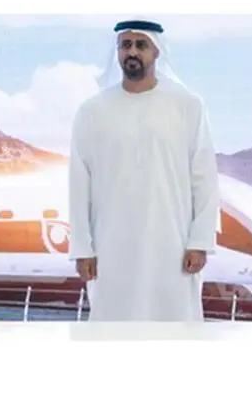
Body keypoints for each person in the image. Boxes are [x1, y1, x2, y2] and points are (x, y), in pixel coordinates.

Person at [68, 18, 221, 321]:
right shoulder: (92, 111)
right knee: (113, 326)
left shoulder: (187, 105)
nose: (132, 52)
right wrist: (82, 247)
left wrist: (200, 242)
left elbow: (205, 177)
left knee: (173, 325)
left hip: (172, 243)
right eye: (125, 45)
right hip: (111, 244)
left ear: (157, 51)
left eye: (141, 45)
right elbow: (78, 182)